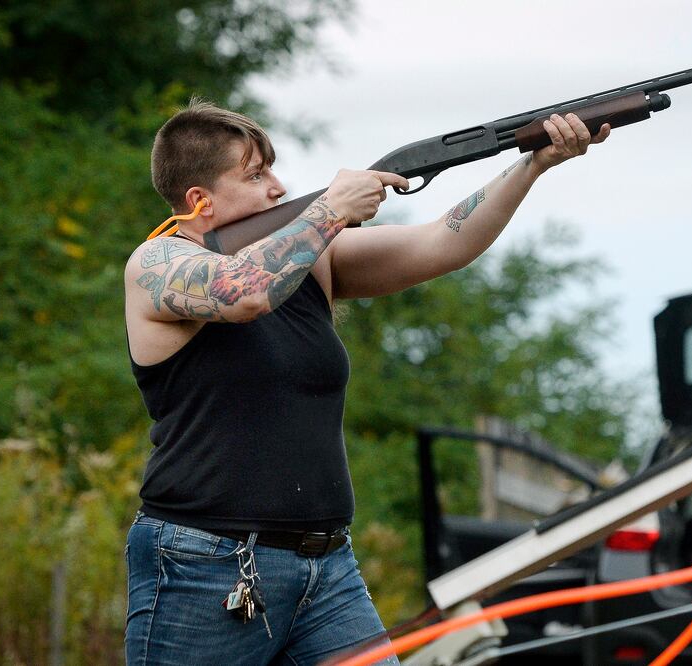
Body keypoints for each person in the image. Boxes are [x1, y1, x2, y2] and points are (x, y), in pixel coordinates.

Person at [123, 99, 609, 665]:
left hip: (326, 563)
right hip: (206, 561)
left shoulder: (313, 261)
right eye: (256, 175)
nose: (278, 187)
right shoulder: (156, 265)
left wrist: (531, 163)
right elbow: (245, 291)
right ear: (199, 201)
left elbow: (443, 242)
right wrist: (331, 209)